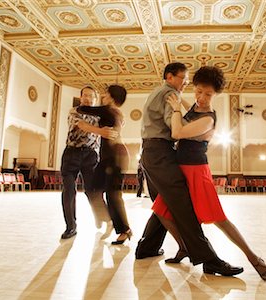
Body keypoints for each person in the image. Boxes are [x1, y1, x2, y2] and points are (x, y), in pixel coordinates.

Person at [151, 66, 266, 281]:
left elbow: (178, 132)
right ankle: (185, 248)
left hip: (197, 172)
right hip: (179, 170)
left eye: (208, 94)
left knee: (219, 219)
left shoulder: (208, 118)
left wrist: (177, 107)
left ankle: (254, 259)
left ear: (215, 94)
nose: (202, 97)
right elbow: (190, 110)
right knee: (161, 211)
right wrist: (182, 101)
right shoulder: (194, 109)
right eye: (198, 91)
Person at [136, 62, 243, 276]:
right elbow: (176, 128)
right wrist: (187, 119)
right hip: (160, 153)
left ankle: (146, 248)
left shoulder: (162, 92)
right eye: (183, 78)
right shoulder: (170, 95)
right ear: (169, 77)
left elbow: (186, 116)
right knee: (183, 208)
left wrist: (192, 110)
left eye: (187, 79)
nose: (186, 82)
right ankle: (210, 260)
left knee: (164, 205)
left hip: (154, 153)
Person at [76, 85, 132, 245]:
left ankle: (124, 230)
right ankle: (108, 220)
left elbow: (82, 109)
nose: (103, 96)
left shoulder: (107, 110)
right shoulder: (117, 113)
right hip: (108, 157)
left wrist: (87, 125)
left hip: (115, 157)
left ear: (112, 98)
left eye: (106, 94)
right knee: (92, 189)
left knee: (113, 195)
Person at [60, 86, 117, 239]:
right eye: (85, 95)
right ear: (81, 96)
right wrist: (101, 132)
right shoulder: (74, 111)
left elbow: (113, 124)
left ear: (95, 99)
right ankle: (70, 227)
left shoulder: (99, 115)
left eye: (91, 96)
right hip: (71, 154)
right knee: (69, 190)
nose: (88, 98)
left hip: (90, 156)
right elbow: (81, 125)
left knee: (92, 190)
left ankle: (103, 217)